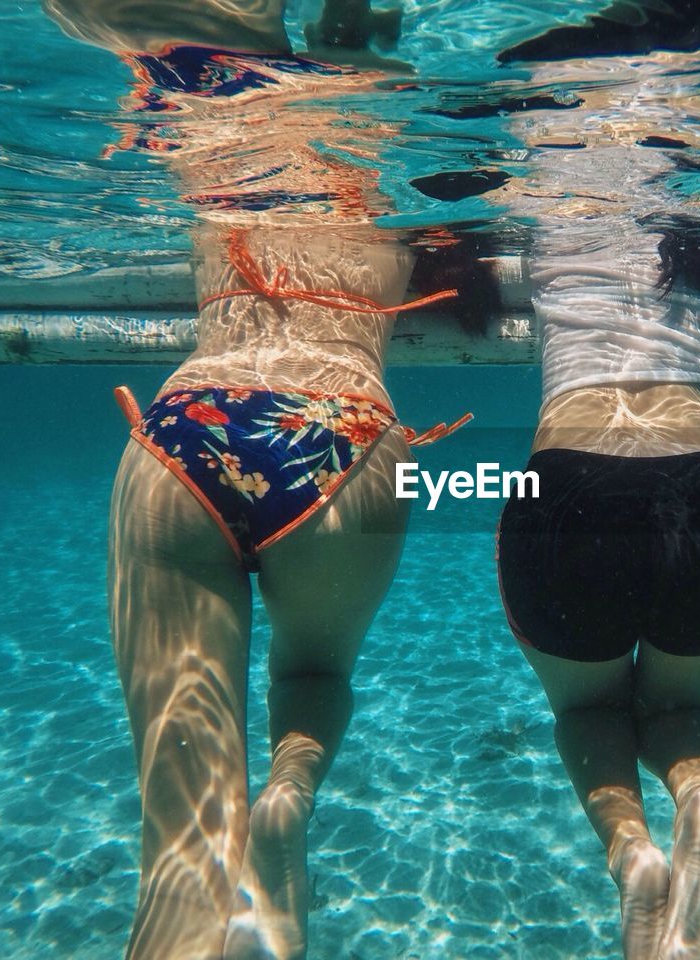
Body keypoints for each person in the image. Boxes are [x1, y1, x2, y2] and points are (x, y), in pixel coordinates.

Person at [46, 2, 464, 957]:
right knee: (314, 671)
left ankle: (202, 902)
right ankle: (289, 794)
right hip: (340, 432)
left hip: (190, 420)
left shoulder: (193, 104)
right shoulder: (384, 110)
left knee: (181, 855)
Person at [495, 212, 700, 960]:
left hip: (571, 488)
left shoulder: (544, 206)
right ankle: (699, 795)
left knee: (589, 711)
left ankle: (633, 855)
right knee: (681, 707)